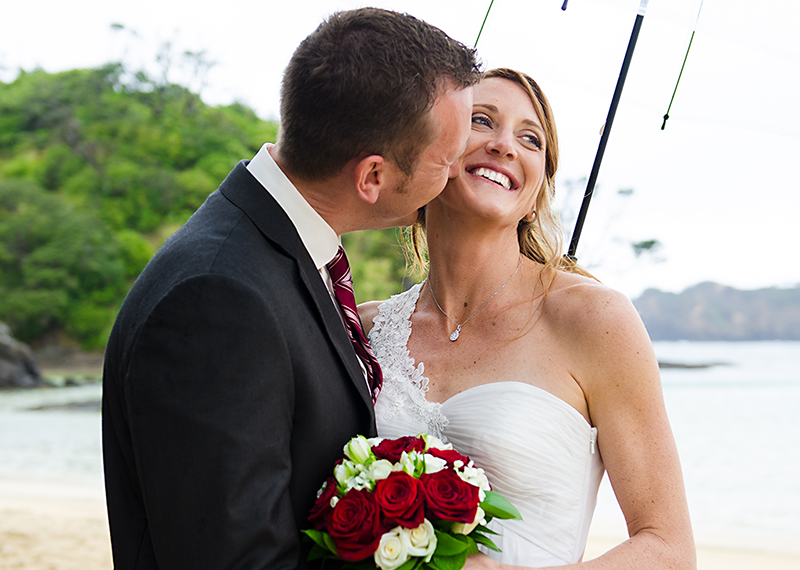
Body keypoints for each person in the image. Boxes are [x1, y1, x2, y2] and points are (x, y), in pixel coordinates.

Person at [101, 8, 479, 570]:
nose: (455, 175)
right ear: (372, 176)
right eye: (445, 160)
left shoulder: (278, 253)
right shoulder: (216, 300)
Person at [359, 68, 696, 569]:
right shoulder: (364, 329)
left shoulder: (596, 320)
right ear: (432, 153)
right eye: (480, 120)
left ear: (537, 192)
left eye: (530, 138)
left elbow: (668, 549)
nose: (503, 145)